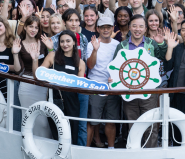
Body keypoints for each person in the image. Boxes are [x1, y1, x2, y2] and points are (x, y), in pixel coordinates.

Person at [111, 15, 167, 148]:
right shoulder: (122, 46)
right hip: (129, 92)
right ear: (129, 27)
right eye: (134, 26)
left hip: (149, 92)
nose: (137, 29)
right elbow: (115, 66)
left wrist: (161, 43)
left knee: (150, 125)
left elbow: (163, 58)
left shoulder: (151, 43)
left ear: (145, 28)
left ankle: (150, 153)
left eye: (141, 26)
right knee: (133, 125)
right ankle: (134, 153)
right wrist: (113, 78)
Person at [34, 30, 85, 145]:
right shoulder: (52, 56)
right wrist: (34, 59)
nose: (65, 44)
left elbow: (80, 87)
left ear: (73, 43)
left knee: (73, 133)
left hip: (72, 102)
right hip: (55, 99)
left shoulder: (80, 63)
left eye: (68, 41)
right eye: (62, 41)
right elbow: (38, 75)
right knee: (57, 133)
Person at [51, 9, 89, 145]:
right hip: (59, 94)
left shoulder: (83, 38)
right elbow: (48, 68)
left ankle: (79, 152)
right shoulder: (54, 40)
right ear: (64, 22)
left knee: (80, 125)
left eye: (76, 20)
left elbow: (84, 63)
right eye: (70, 20)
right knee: (59, 127)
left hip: (79, 87)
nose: (74, 23)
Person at [86, 17, 120, 148]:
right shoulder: (91, 44)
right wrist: (95, 50)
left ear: (112, 28)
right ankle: (87, 149)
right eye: (103, 27)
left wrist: (115, 78)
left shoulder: (117, 44)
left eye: (108, 27)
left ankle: (111, 148)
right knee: (92, 121)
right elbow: (90, 65)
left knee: (111, 121)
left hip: (113, 88)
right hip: (96, 86)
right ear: (97, 29)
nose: (106, 30)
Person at [18, 15, 53, 138]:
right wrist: (14, 53)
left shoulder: (43, 43)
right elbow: (18, 69)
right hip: (26, 84)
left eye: (36, 28)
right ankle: (27, 144)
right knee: (27, 117)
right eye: (31, 26)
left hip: (42, 84)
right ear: (25, 27)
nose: (33, 30)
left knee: (43, 121)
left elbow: (52, 63)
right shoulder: (19, 44)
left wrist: (51, 48)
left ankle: (45, 144)